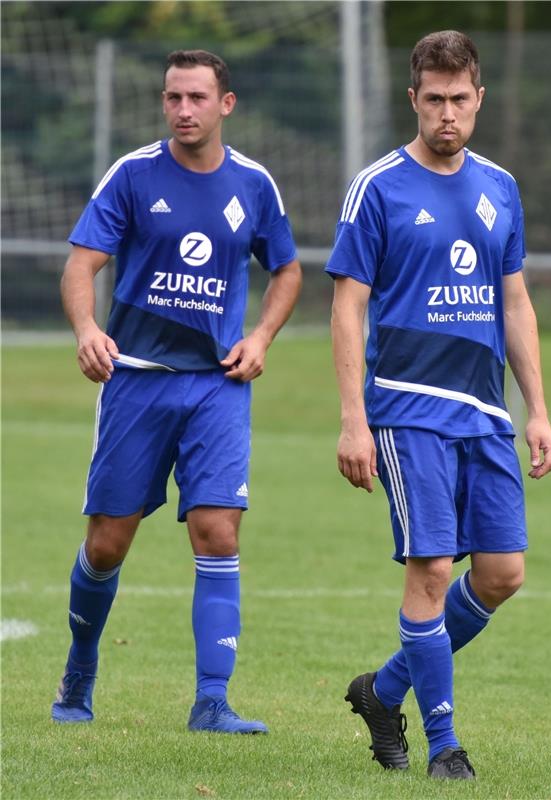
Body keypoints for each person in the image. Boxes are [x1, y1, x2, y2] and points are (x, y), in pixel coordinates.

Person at [327, 30, 551, 779]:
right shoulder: (378, 186)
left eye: (460, 100)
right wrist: (353, 420)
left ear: (479, 98)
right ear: (413, 99)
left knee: (500, 574)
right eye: (434, 100)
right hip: (405, 408)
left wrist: (537, 411)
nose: (447, 115)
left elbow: (513, 302)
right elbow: (346, 309)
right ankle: (443, 744)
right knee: (428, 568)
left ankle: (381, 689)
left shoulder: (500, 187)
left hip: (482, 412)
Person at [52, 49, 302, 734]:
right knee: (107, 544)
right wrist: (86, 328)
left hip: (216, 387)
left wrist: (260, 339)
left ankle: (212, 701)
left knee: (217, 532)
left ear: (226, 104)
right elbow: (83, 262)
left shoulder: (253, 184)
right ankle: (79, 669)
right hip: (134, 381)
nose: (183, 110)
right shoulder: (133, 174)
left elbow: (286, 269)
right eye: (172, 98)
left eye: (196, 97)